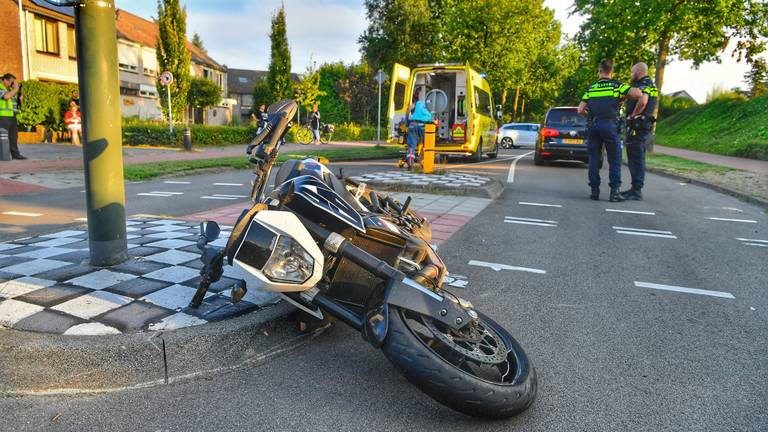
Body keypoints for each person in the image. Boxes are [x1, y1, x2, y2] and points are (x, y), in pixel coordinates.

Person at [578, 60, 641, 202]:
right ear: (612, 72)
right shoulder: (617, 86)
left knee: (594, 159)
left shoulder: (591, 88)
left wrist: (592, 117)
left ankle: (594, 192)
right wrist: (624, 96)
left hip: (594, 126)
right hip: (610, 126)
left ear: (599, 71)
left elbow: (580, 110)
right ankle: (614, 193)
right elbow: (637, 94)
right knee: (614, 159)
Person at [620, 62, 658, 201]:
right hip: (642, 125)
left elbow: (642, 101)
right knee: (637, 157)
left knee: (635, 157)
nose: (631, 75)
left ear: (639, 72)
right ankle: (635, 188)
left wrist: (632, 115)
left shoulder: (643, 84)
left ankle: (636, 190)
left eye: (632, 72)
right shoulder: (650, 84)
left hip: (638, 125)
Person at [0, 73, 26, 160]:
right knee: (3, 136)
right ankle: (3, 155)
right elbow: (6, 97)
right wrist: (16, 89)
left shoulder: (10, 90)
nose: (12, 84)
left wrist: (20, 99)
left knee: (13, 136)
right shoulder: (1, 87)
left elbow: (16, 104)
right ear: (4, 80)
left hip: (12, 115)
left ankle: (15, 154)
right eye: (11, 82)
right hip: (3, 115)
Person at [406, 99, 433, 170]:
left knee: (411, 145)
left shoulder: (418, 103)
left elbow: (409, 109)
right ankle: (424, 161)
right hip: (423, 125)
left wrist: (407, 121)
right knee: (426, 144)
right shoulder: (433, 106)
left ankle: (410, 163)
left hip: (413, 124)